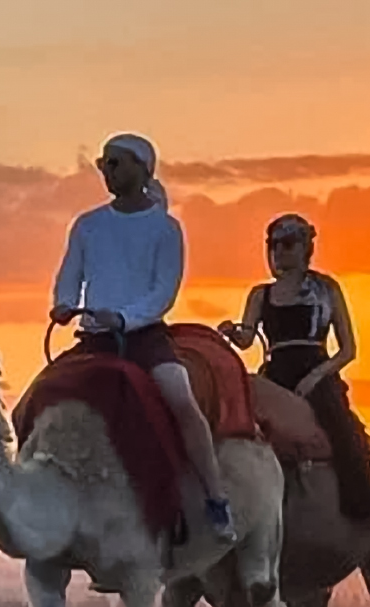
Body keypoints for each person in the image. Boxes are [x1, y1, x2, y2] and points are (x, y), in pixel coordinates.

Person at [52, 134, 235, 542]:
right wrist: (64, 303)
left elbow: (163, 293)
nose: (108, 172)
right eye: (104, 164)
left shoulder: (166, 228)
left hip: (145, 338)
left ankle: (216, 498)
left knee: (181, 400)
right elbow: (70, 275)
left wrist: (123, 318)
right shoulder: (87, 225)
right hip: (94, 337)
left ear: (141, 167)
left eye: (115, 163)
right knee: (43, 396)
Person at [219, 213, 370, 526]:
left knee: (342, 428)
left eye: (287, 244)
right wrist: (232, 332)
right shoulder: (260, 294)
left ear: (304, 248)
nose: (279, 251)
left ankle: (369, 508)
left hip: (316, 369)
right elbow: (247, 338)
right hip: (276, 369)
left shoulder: (327, 289)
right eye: (274, 245)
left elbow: (348, 349)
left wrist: (316, 376)